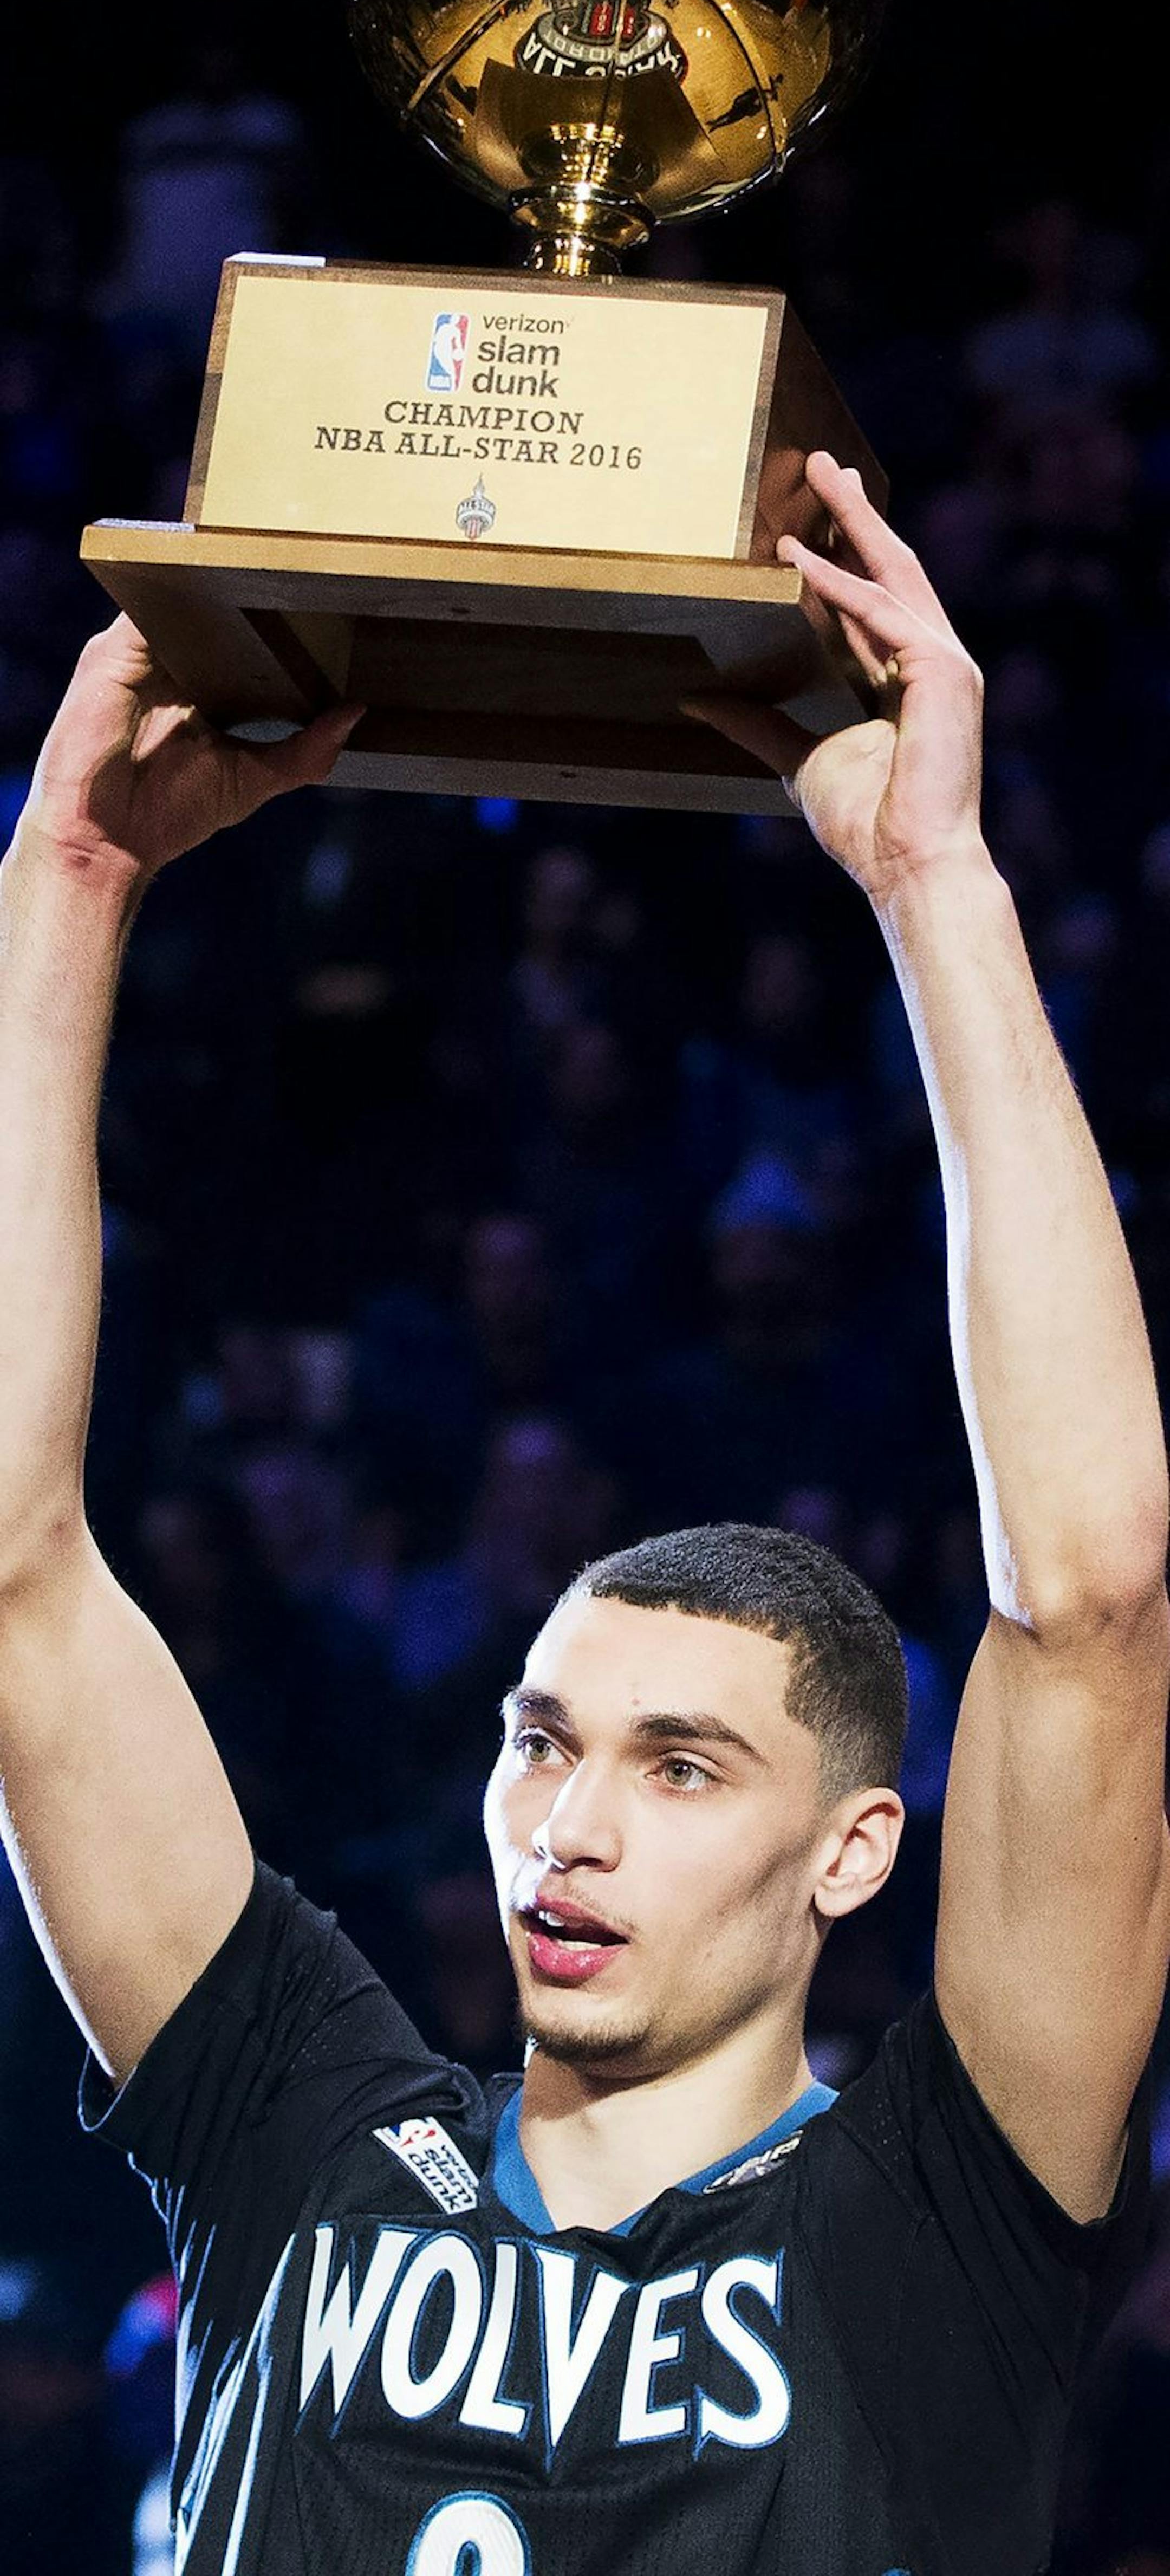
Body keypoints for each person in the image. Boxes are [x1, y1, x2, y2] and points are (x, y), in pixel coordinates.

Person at [0, 453, 1167, 2576]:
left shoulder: (942, 2209)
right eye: (543, 1736)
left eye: (681, 1760)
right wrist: (64, 883)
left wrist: (938, 884)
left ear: (856, 1843)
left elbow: (1089, 1604)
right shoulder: (304, 2117)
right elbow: (13, 1573)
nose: (571, 1821)